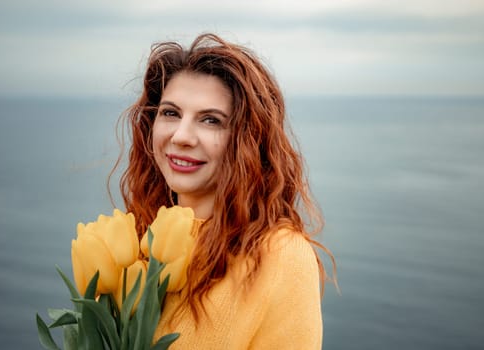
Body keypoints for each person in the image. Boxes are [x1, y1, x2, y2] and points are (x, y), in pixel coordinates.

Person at [113, 33, 335, 349]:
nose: (181, 136)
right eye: (171, 113)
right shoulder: (136, 238)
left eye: (211, 120)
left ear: (247, 140)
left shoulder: (279, 256)